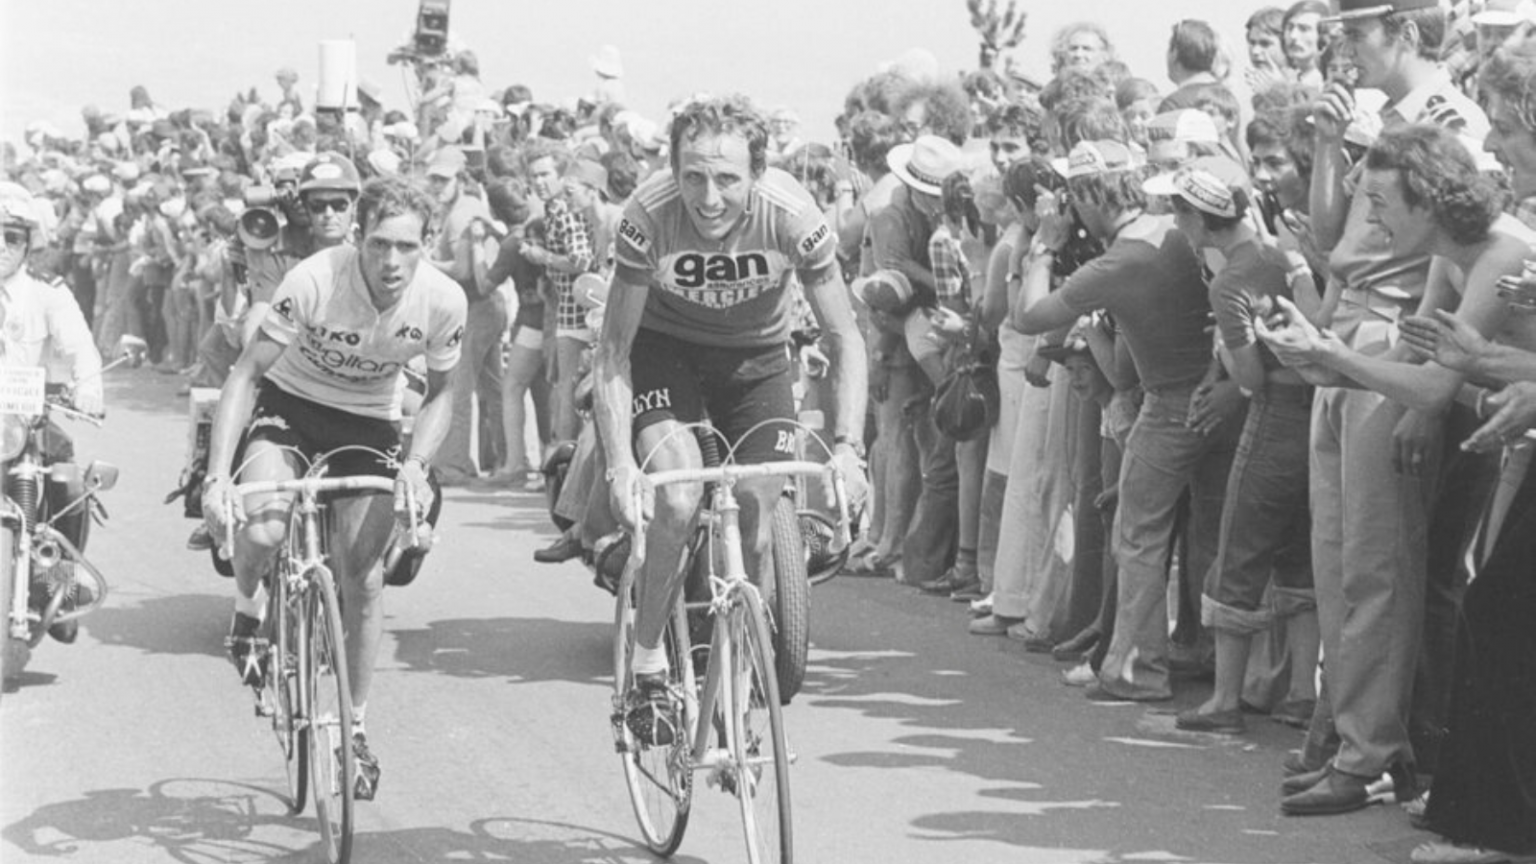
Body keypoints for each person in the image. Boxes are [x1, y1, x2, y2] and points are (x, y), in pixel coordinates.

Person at [1264, 0, 1490, 817]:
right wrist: (1328, 144)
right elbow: (1338, 234)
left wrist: (1426, 397)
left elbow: (1461, 253)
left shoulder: (1451, 117)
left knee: (1377, 564)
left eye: (1356, 31)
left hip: (1395, 335)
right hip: (1346, 320)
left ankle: (1368, 750)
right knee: (1337, 559)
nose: (1343, 47)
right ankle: (1352, 730)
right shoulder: (1378, 117)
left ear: (1401, 29)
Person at [593, 95, 866, 743]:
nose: (708, 197)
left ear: (757, 174)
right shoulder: (647, 217)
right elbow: (611, 352)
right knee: (680, 495)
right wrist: (620, 465)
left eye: (726, 179)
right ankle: (651, 666)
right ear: (673, 171)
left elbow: (845, 337)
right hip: (667, 356)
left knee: (754, 503)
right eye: (693, 176)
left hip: (756, 361)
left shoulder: (792, 213)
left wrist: (850, 446)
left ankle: (737, 664)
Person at [201, 176, 466, 802]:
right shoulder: (315, 279)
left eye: (406, 246)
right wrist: (217, 479)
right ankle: (248, 609)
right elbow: (244, 375)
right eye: (378, 244)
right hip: (290, 407)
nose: (391, 261)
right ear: (358, 237)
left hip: (368, 420)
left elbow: (445, 394)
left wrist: (418, 465)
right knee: (264, 528)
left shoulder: (443, 300)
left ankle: (354, 728)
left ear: (426, 244)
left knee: (364, 575)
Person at [1012, 140, 1239, 702]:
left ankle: (1141, 669)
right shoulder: (1172, 232)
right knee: (1210, 537)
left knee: (1136, 535)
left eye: (1073, 195)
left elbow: (1029, 316)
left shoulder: (1117, 263)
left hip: (1168, 406)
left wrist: (1043, 246)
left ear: (1091, 194)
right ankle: (1203, 654)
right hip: (1221, 396)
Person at [1146, 158, 1318, 736]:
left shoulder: (1230, 281)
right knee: (1297, 552)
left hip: (1274, 415)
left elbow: (1251, 375)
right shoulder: (1278, 254)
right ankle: (1300, 692)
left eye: (1179, 212)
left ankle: (1225, 700)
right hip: (1312, 414)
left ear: (1198, 219)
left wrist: (1224, 359)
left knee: (1239, 550)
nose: (1176, 223)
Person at [0, 183, 105, 644]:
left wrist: (88, 389)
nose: (1, 247)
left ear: (28, 244)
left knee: (67, 474)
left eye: (12, 237)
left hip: (22, 421)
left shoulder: (47, 292)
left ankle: (55, 581)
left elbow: (80, 346)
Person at [424, 145, 499, 485]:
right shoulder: (466, 206)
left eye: (444, 179)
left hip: (475, 307)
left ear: (460, 179)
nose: (437, 186)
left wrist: (424, 262)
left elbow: (463, 269)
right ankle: (502, 461)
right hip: (489, 306)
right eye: (434, 180)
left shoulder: (460, 213)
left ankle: (453, 465)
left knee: (457, 388)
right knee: (493, 389)